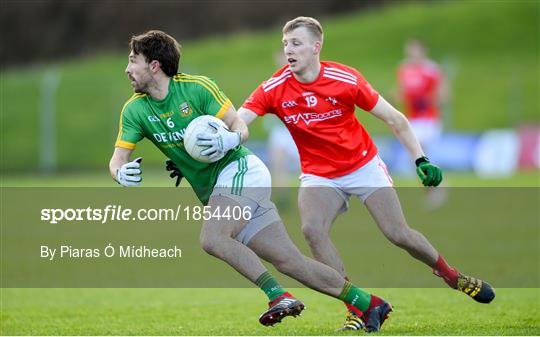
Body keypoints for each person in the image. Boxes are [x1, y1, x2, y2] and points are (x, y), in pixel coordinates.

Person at [110, 30, 392, 332]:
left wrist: (228, 140)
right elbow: (117, 159)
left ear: (154, 65)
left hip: (241, 170)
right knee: (290, 262)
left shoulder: (197, 88)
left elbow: (240, 128)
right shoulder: (135, 109)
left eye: (133, 61)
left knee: (213, 238)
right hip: (218, 189)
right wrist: (119, 173)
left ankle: (277, 296)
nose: (128, 69)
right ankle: (368, 303)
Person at [237, 17, 495, 331]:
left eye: (296, 43)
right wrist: (219, 137)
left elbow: (396, 119)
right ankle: (358, 308)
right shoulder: (274, 87)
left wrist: (421, 159)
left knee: (397, 233)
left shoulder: (345, 79)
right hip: (319, 175)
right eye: (285, 44)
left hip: (362, 165)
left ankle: (452, 275)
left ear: (316, 47)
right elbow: (240, 121)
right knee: (312, 230)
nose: (288, 50)